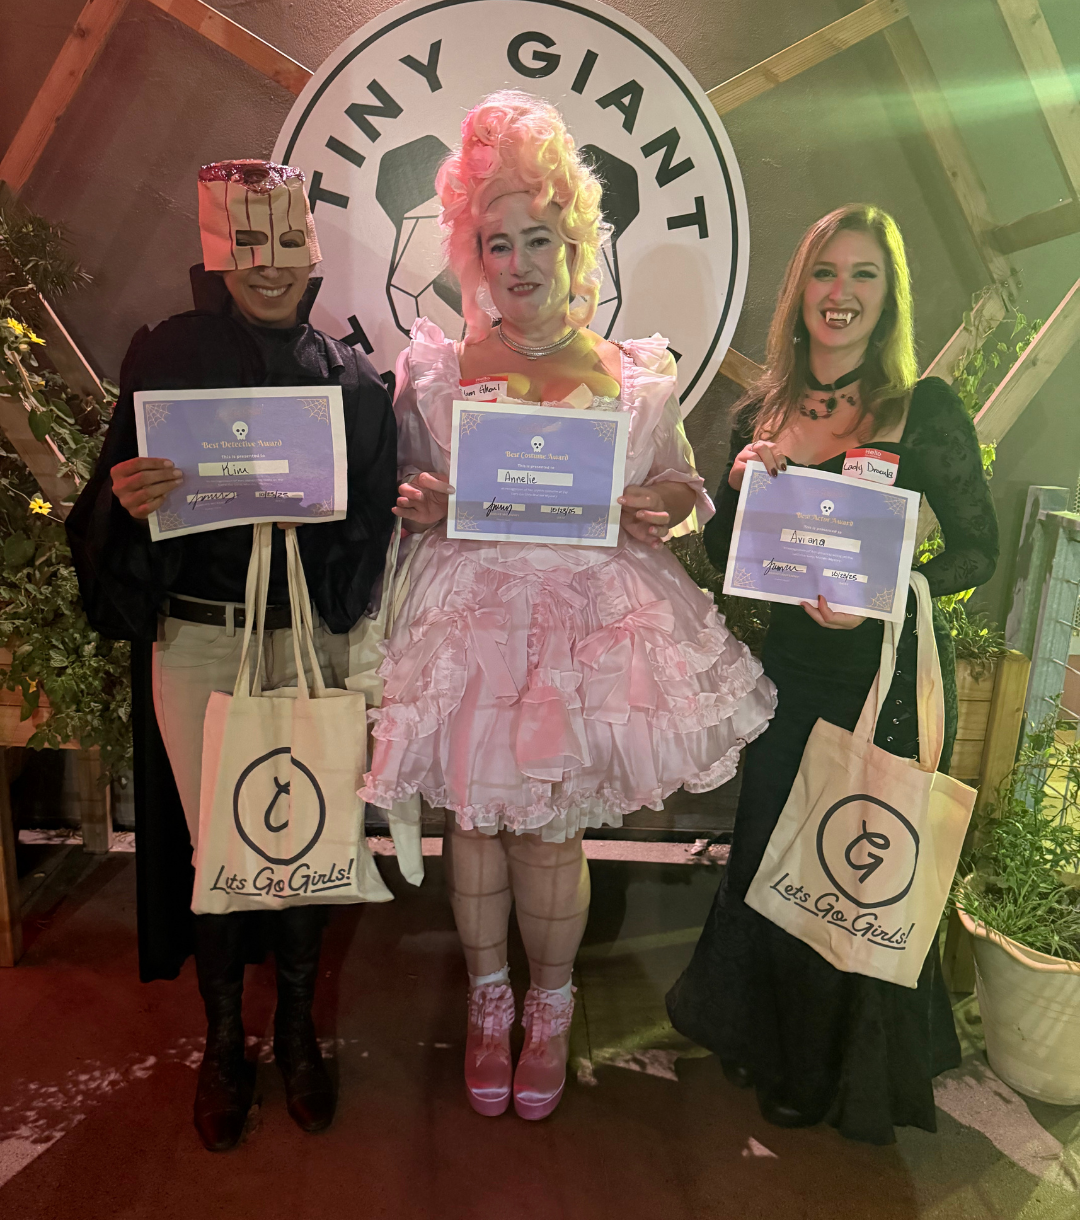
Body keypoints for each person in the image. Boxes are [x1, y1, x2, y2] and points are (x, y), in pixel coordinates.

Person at [361, 91, 776, 1121]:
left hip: (583, 633)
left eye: (536, 238)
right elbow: (413, 494)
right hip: (473, 627)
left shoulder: (631, 376)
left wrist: (663, 508)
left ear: (574, 241)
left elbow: (683, 486)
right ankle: (489, 1002)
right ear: (473, 254)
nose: (518, 263)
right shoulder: (439, 372)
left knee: (547, 832)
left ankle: (552, 1003)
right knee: (475, 829)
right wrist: (417, 505)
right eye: (496, 243)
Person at [67, 160, 397, 1151]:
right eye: (248, 243)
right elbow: (110, 507)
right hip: (202, 643)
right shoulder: (164, 359)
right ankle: (224, 1044)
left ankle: (296, 1033)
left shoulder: (352, 380)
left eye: (287, 242)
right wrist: (125, 501)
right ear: (218, 249)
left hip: (310, 640)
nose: (269, 264)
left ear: (315, 252)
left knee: (300, 851)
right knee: (220, 850)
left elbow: (371, 522)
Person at [666, 203, 999, 1144]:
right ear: (798, 291)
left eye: (864, 276)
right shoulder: (755, 415)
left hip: (876, 684)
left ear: (888, 297)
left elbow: (979, 549)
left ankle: (819, 1069)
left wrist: (890, 592)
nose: (841, 294)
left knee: (837, 867)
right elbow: (735, 563)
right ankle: (760, 1034)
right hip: (788, 678)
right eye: (825, 273)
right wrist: (737, 492)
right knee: (770, 850)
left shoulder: (919, 411)